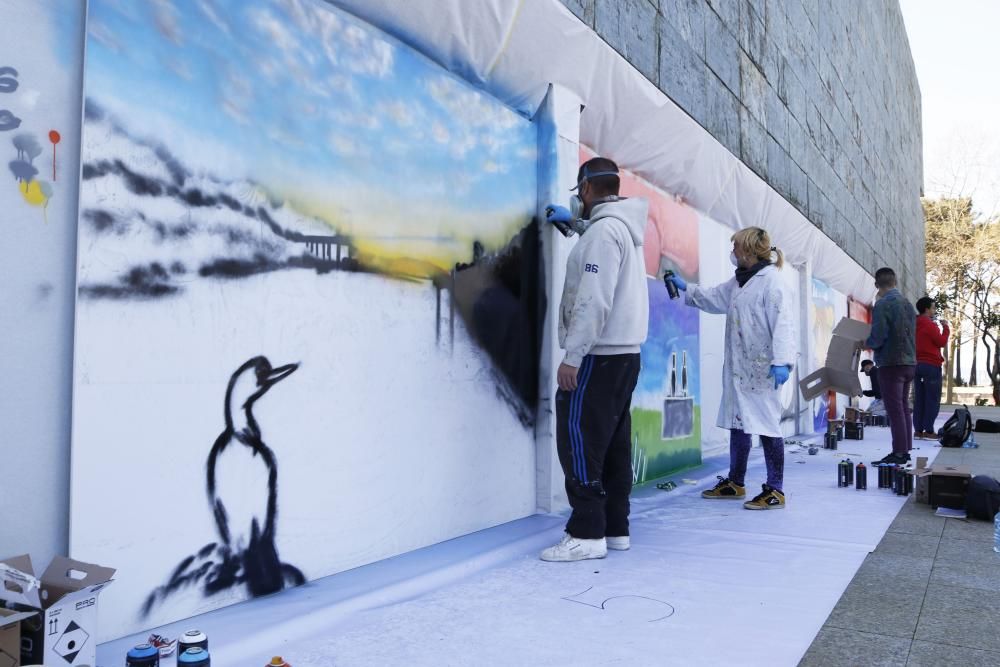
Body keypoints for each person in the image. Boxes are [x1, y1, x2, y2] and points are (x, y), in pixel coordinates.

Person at [539, 157, 648, 562]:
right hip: (624, 357)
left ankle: (586, 533)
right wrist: (578, 227)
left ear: (585, 188)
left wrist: (573, 355)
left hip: (597, 358)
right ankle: (614, 527)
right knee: (614, 444)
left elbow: (593, 300)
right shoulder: (621, 228)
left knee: (580, 441)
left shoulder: (604, 234)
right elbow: (602, 244)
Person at [666, 227, 796, 510]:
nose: (732, 251)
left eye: (735, 246)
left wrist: (782, 362)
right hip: (741, 368)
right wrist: (686, 287)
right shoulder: (740, 282)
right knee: (740, 422)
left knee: (767, 425)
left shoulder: (772, 282)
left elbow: (783, 323)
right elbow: (714, 298)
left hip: (764, 370)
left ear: (748, 250)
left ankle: (775, 489)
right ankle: (736, 482)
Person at [866, 268, 917, 464]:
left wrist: (866, 342)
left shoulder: (882, 304)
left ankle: (898, 453)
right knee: (903, 407)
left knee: (894, 409)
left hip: (891, 363)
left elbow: (878, 337)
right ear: (895, 282)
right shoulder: (907, 304)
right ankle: (904, 450)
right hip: (909, 362)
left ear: (877, 285)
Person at [914, 296, 950, 439]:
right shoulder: (930, 325)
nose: (934, 310)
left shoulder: (914, 323)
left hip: (916, 365)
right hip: (931, 365)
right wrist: (945, 327)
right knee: (932, 399)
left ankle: (918, 430)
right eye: (933, 308)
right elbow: (941, 342)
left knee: (919, 398)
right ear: (927, 309)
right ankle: (929, 430)